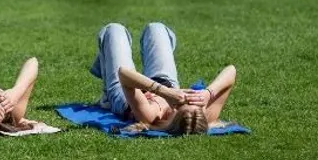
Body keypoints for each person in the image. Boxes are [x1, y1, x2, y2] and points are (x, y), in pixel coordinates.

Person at [90, 22, 237, 135]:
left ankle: (107, 96)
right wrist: (208, 93)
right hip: (165, 82)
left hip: (125, 92)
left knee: (114, 30)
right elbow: (231, 71)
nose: (186, 97)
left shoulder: (152, 115)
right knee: (156, 28)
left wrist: (165, 93)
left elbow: (124, 74)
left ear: (172, 117)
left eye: (181, 104)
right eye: (191, 100)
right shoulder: (204, 114)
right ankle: (105, 63)